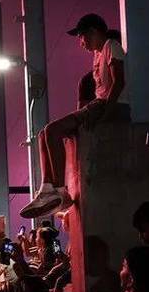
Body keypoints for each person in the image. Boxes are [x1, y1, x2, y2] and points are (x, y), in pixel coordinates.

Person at [21, 13, 129, 219]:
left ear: (93, 32)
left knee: (53, 130)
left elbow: (119, 82)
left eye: (82, 37)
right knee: (44, 134)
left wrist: (106, 114)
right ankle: (47, 188)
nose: (81, 43)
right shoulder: (98, 54)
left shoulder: (111, 46)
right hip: (98, 105)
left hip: (104, 106)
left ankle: (61, 192)